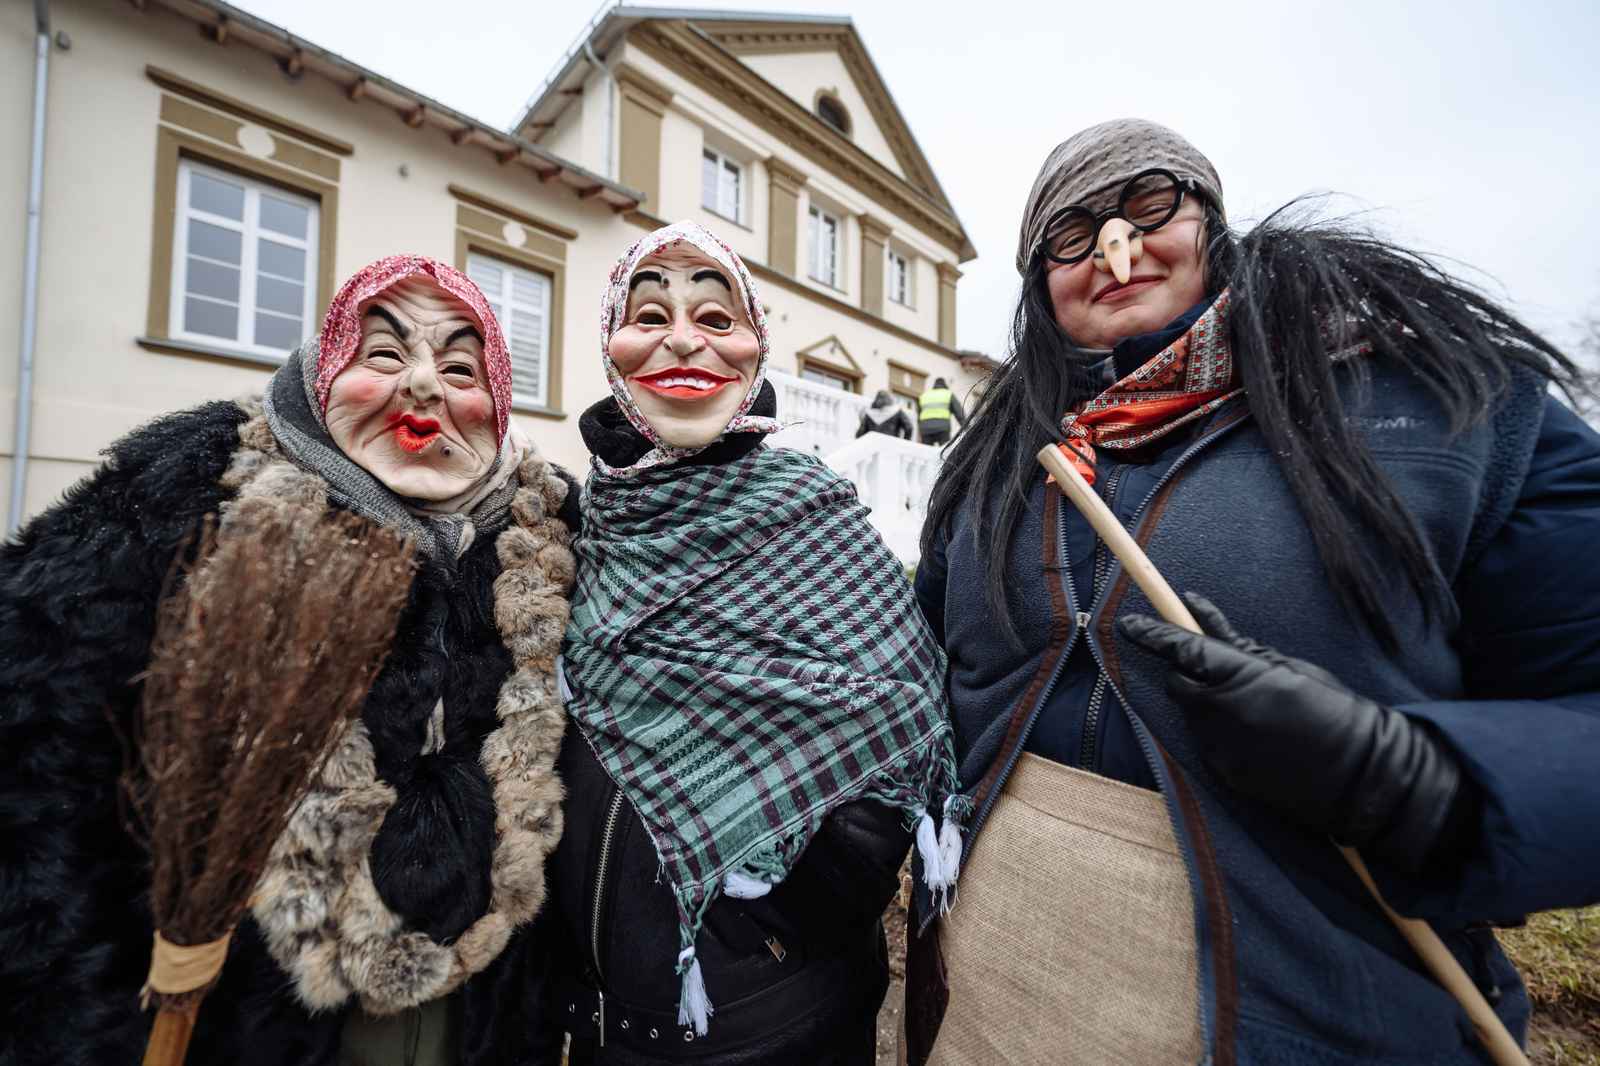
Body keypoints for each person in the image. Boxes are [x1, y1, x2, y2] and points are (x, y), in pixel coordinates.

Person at [907, 119, 1600, 1066]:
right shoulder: (998, 460)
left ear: (1213, 224)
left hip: (1319, 1018)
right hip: (998, 1002)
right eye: (1070, 234)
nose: (1115, 248)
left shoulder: (1445, 407)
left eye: (1149, 206)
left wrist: (1414, 779)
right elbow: (924, 683)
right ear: (1039, 282)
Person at [0, 255, 577, 1066]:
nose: (424, 387)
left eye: (459, 366)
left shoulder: (548, 535)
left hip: (482, 1013)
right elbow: (32, 759)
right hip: (240, 1021)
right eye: (383, 355)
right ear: (320, 373)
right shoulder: (190, 497)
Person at [549, 221, 963, 1065]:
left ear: (755, 349)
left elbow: (900, 699)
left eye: (716, 315)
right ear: (609, 345)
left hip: (778, 1016)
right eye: (649, 312)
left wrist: (805, 902)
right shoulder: (572, 528)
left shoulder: (812, 514)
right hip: (596, 1025)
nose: (683, 339)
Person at [915, 377, 964, 445]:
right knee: (944, 451)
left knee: (925, 451)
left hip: (925, 429)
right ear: (944, 385)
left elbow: (919, 414)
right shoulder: (948, 394)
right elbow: (959, 412)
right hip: (942, 428)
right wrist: (965, 426)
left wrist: (920, 428)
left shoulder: (924, 395)